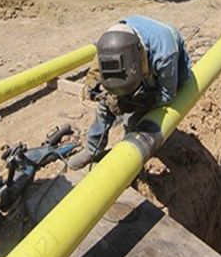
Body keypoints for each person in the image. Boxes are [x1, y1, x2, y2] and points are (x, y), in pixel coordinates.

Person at [69, 15, 192, 170]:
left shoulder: (164, 55)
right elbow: (96, 68)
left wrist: (136, 104)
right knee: (104, 106)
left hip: (170, 74)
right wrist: (95, 87)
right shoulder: (112, 41)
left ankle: (130, 157)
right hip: (140, 64)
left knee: (133, 121)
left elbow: (167, 96)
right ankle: (92, 150)